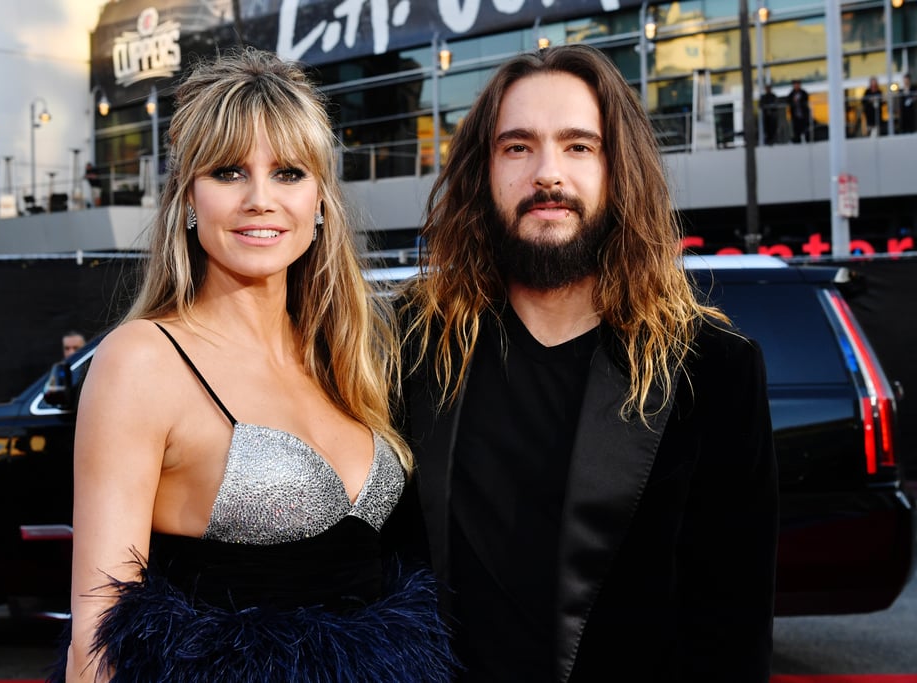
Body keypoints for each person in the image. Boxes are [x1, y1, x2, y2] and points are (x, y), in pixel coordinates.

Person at [55, 48, 455, 682]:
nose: (261, 199)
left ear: (322, 202)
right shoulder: (144, 360)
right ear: (189, 199)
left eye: (290, 173)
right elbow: (96, 645)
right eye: (229, 172)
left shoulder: (349, 355)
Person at [396, 44, 778, 681]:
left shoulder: (713, 370)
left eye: (579, 146)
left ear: (617, 169)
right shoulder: (414, 346)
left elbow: (732, 627)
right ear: (482, 172)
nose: (548, 173)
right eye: (517, 147)